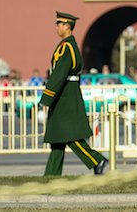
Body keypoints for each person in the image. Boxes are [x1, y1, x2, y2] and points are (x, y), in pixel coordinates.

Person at [39, 11, 108, 176]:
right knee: (57, 137)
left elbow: (59, 74)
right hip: (64, 94)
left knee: (67, 134)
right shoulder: (67, 45)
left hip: (65, 96)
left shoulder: (67, 47)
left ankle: (96, 160)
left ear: (67, 26)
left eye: (59, 24)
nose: (56, 27)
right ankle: (51, 175)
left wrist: (47, 96)